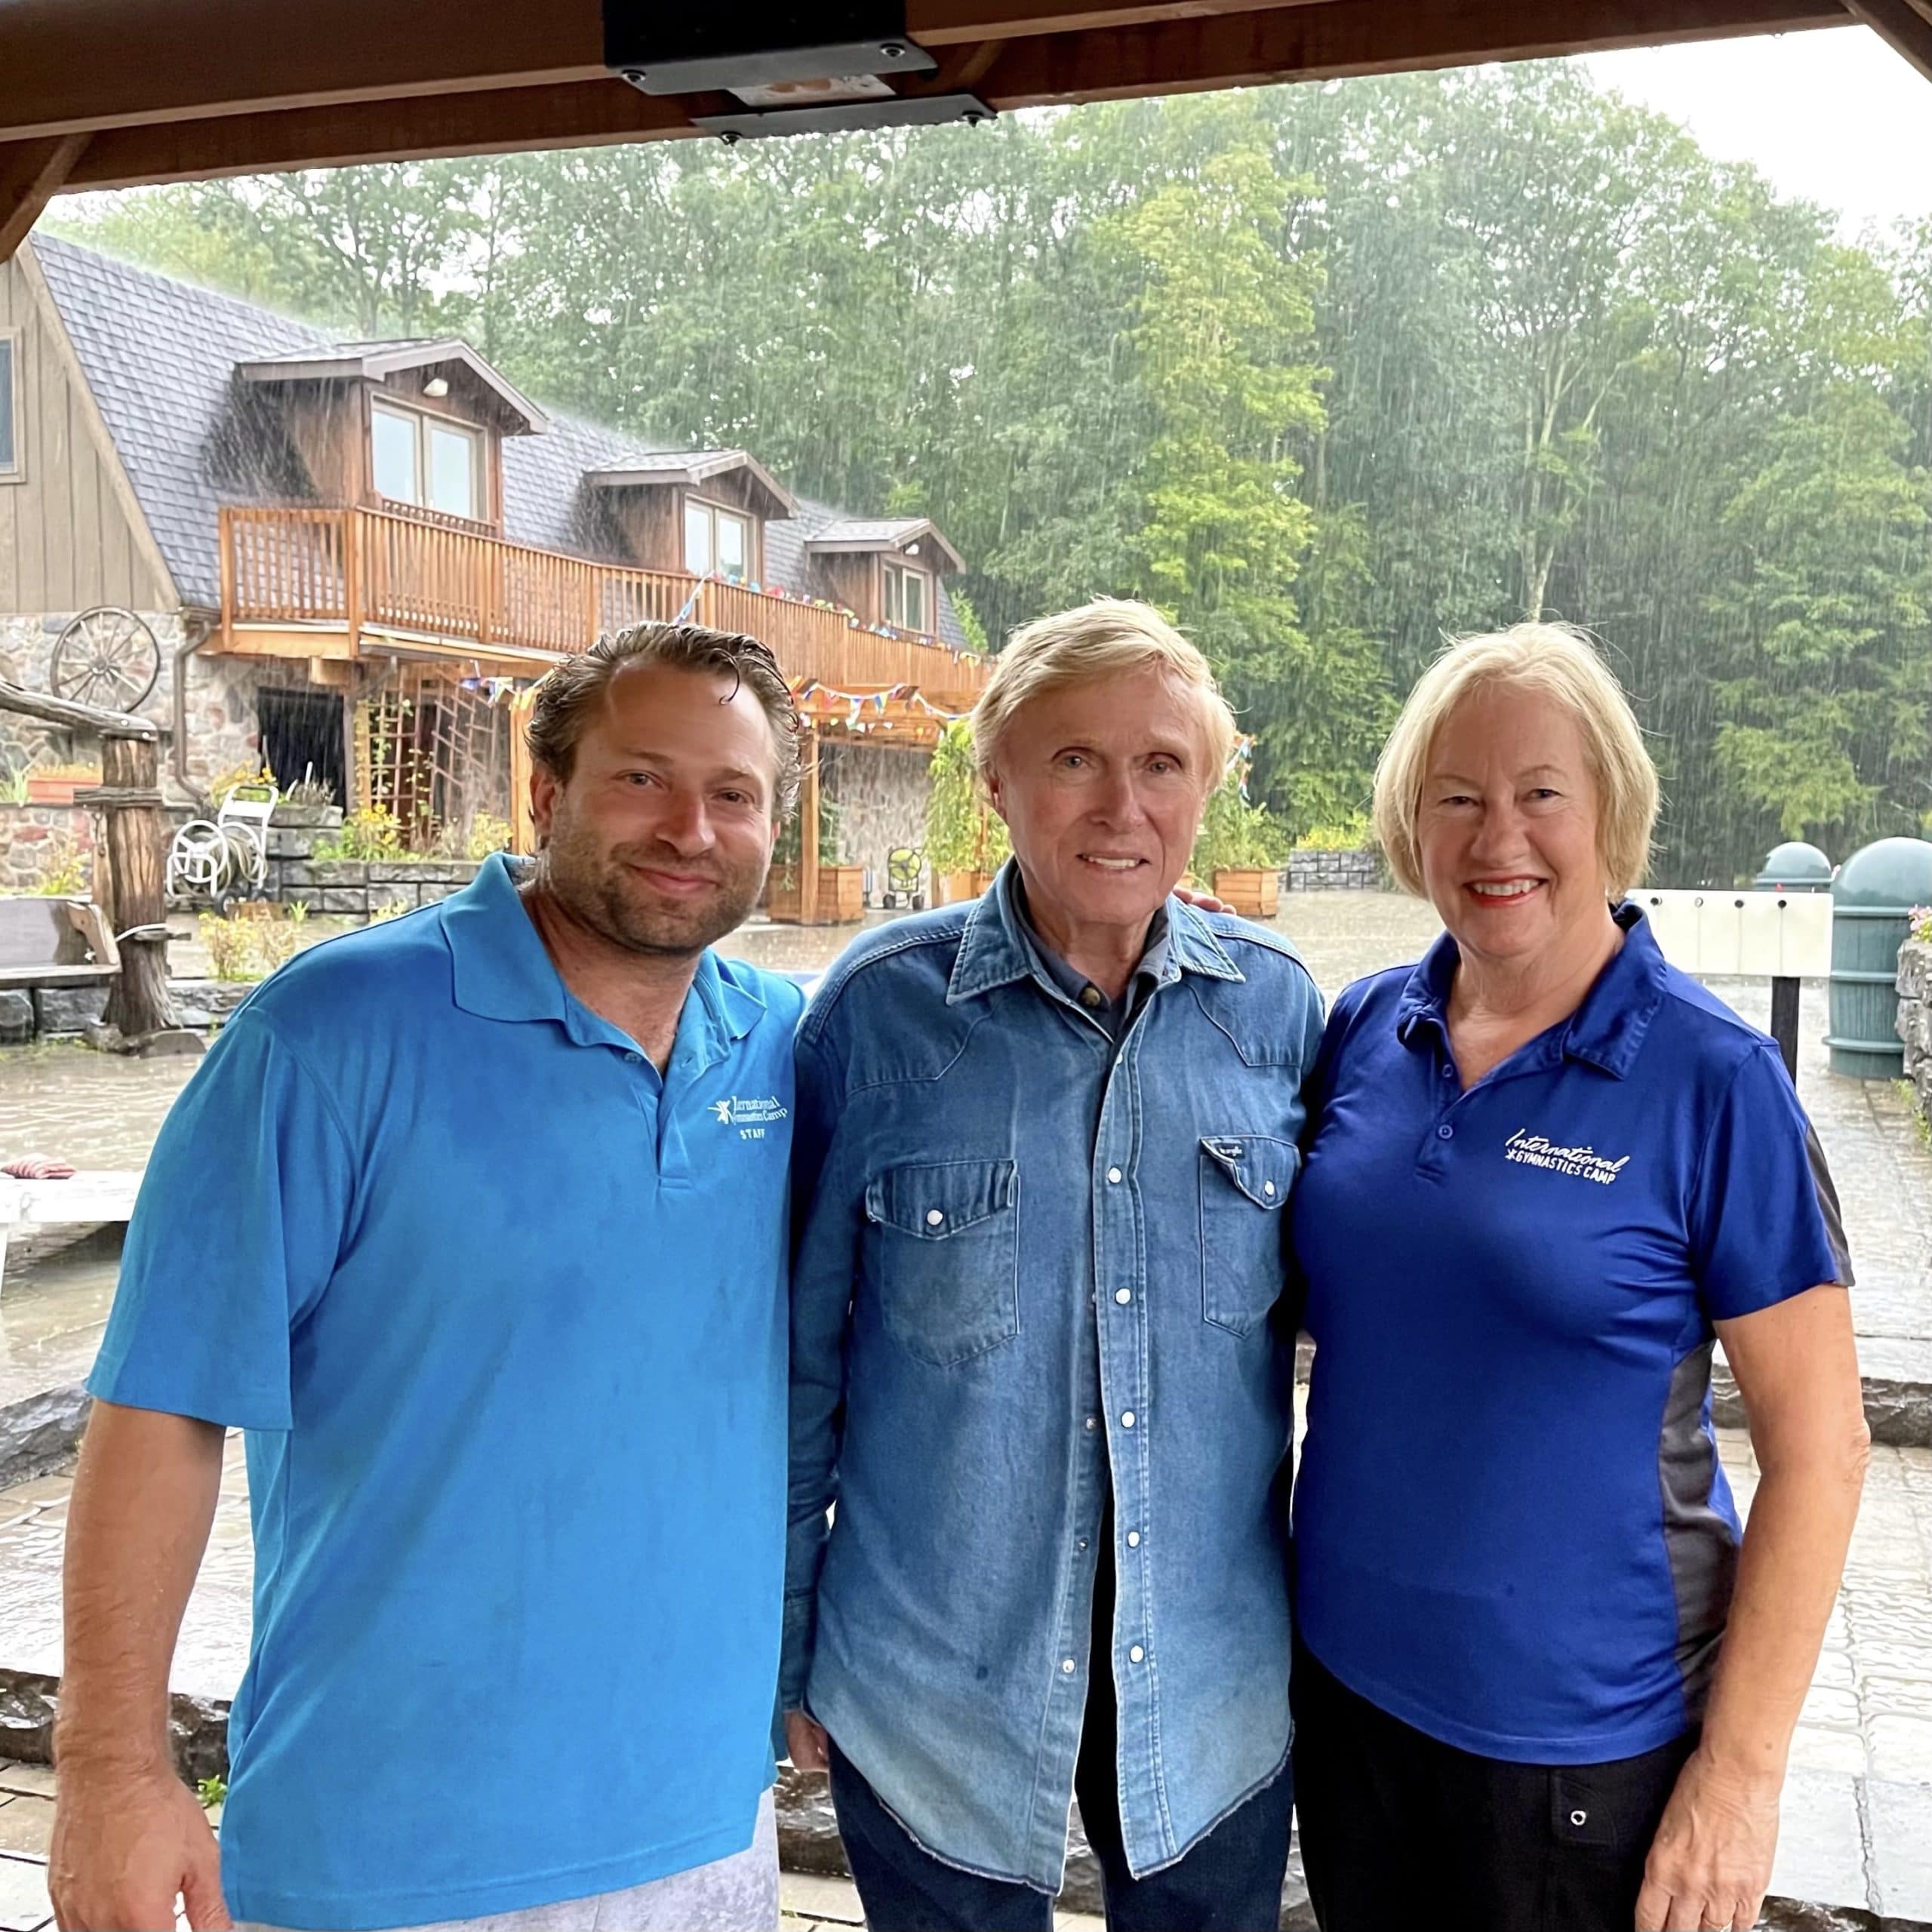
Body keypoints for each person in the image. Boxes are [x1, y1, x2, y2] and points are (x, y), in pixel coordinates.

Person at [51, 624, 808, 1932]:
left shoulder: (787, 1045)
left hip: (709, 1829)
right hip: (389, 1845)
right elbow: (162, 1409)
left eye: (733, 793)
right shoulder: (329, 1031)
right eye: (642, 778)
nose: (691, 827)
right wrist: (113, 1769)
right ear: (547, 791)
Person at [1287, 622, 1868, 1932]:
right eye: (1459, 799)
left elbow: (1825, 1448)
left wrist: (1739, 1780)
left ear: (1612, 807)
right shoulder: (1368, 1029)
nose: (1501, 839)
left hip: (1580, 1758)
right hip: (1346, 1701)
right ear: (1409, 824)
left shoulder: (1717, 1082)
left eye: (1542, 793)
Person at [782, 598, 1324, 1932]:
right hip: (933, 1698)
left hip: (1211, 1690)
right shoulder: (875, 1017)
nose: (1120, 806)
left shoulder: (1280, 1016)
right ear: (998, 782)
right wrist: (784, 1647)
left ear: (1207, 785)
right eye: (1074, 759)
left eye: (1161, 765)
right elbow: (795, 1373)